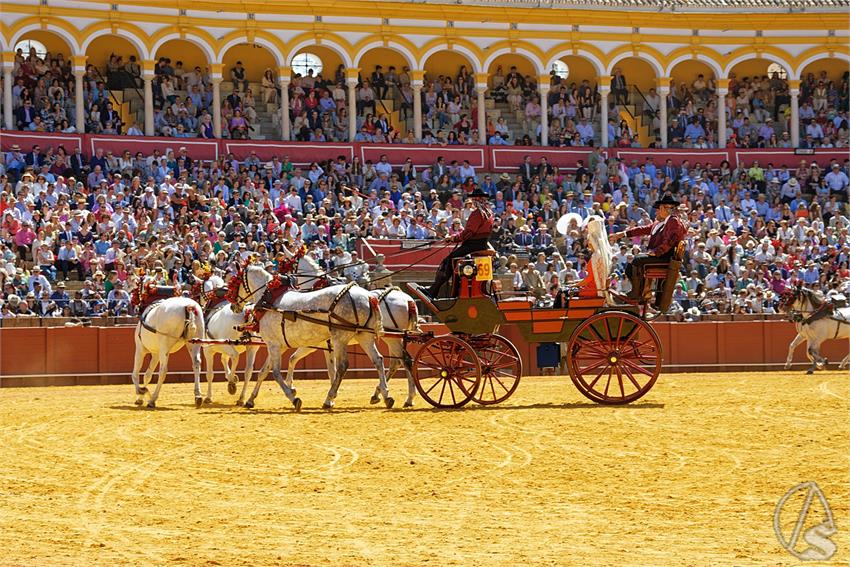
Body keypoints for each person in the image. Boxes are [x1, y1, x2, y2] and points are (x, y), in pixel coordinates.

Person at [608, 194, 687, 301]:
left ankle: (637, 293)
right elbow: (642, 229)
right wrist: (622, 234)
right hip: (661, 255)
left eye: (658, 209)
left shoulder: (673, 221)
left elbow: (671, 240)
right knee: (631, 266)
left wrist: (657, 251)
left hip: (665, 257)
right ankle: (640, 291)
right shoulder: (661, 223)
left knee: (637, 260)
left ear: (664, 208)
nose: (656, 212)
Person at [427, 186, 493, 298]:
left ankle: (434, 290)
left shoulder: (477, 214)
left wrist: (453, 238)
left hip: (472, 245)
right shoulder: (489, 213)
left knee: (449, 261)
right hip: (481, 244)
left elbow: (468, 233)